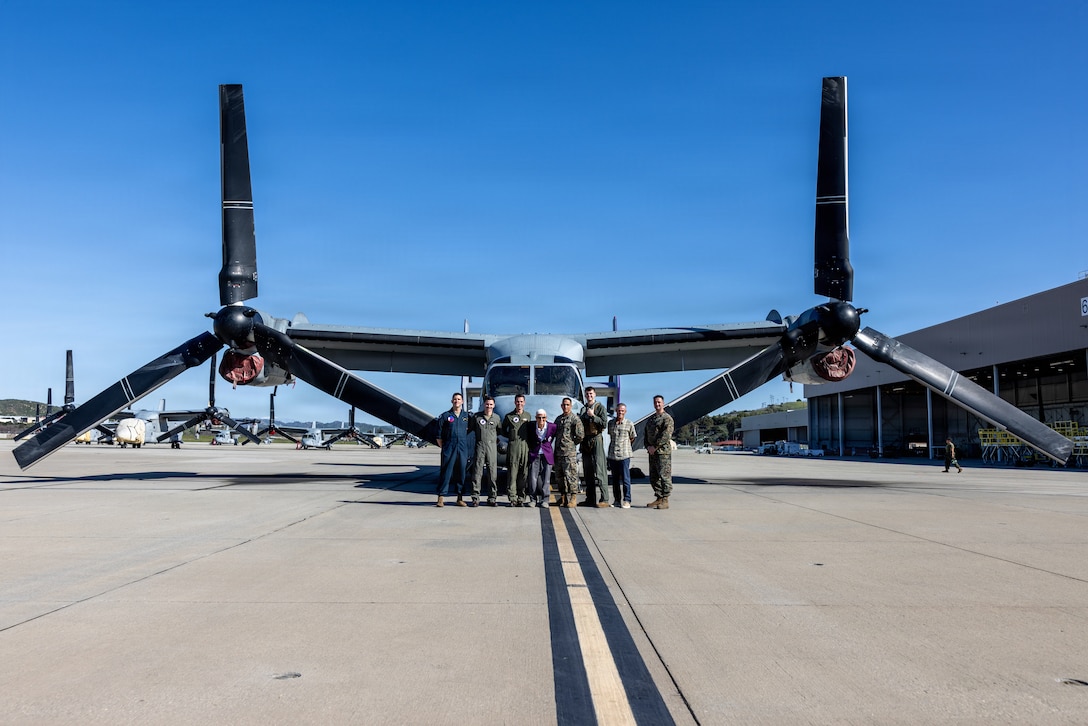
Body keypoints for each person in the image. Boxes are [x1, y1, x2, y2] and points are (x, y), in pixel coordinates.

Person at [436, 392, 474, 507]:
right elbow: (438, 436)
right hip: (449, 447)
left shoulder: (466, 417)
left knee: (461, 472)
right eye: (455, 399)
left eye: (459, 399)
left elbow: (470, 431)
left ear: (462, 402)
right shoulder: (445, 416)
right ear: (452, 401)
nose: (457, 401)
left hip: (462, 448)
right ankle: (441, 497)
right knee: (446, 471)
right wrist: (445, 446)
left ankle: (459, 498)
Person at [579, 386, 609, 507]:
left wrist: (593, 416)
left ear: (595, 395)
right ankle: (590, 498)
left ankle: (605, 498)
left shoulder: (600, 407)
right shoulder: (583, 409)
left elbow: (604, 423)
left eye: (591, 394)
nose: (589, 396)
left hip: (596, 438)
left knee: (600, 469)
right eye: (587, 394)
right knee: (588, 470)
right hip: (585, 440)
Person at [470, 396, 502, 506]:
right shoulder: (476, 417)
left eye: (491, 404)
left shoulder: (497, 418)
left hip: (491, 448)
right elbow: (470, 429)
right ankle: (475, 497)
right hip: (480, 446)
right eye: (487, 404)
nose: (489, 406)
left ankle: (492, 498)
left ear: (494, 405)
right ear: (484, 405)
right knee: (477, 472)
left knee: (492, 473)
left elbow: (499, 431)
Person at [643, 395, 674, 509]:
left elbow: (666, 435)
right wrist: (648, 447)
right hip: (652, 452)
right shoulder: (651, 419)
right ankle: (659, 497)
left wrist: (655, 446)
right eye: (655, 402)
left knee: (664, 476)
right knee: (653, 476)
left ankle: (665, 499)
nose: (657, 404)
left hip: (662, 453)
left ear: (663, 403)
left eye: (659, 402)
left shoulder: (667, 418)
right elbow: (645, 434)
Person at [502, 394, 533, 506]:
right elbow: (502, 430)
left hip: (525, 446)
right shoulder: (509, 416)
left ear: (524, 403)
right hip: (514, 446)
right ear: (515, 403)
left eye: (521, 402)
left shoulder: (528, 416)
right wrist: (511, 437)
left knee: (523, 474)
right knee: (512, 473)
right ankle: (512, 498)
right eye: (517, 402)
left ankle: (521, 497)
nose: (519, 404)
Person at [553, 397, 584, 508]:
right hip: (558, 452)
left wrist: (571, 444)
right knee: (560, 477)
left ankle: (573, 497)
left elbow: (580, 436)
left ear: (570, 406)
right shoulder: (558, 419)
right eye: (564, 405)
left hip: (569, 453)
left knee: (571, 475)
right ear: (561, 406)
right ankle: (563, 497)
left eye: (567, 405)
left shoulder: (574, 419)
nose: (565, 407)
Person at [606, 403, 637, 508]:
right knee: (614, 479)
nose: (620, 412)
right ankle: (617, 500)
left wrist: (626, 445)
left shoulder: (629, 424)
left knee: (625, 478)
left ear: (625, 412)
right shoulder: (611, 423)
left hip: (624, 455)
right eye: (619, 410)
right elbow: (610, 435)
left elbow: (632, 437)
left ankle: (627, 500)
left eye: (622, 411)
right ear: (616, 411)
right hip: (613, 454)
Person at [528, 409, 558, 507]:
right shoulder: (531, 426)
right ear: (536, 418)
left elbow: (552, 437)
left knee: (546, 478)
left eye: (543, 417)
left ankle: (545, 499)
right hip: (535, 454)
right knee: (533, 478)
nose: (541, 420)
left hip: (547, 454)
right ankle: (533, 499)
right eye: (539, 417)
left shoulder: (552, 427)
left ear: (546, 418)